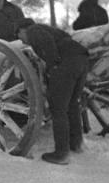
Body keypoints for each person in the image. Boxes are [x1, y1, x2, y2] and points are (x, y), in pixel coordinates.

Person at [15, 18, 89, 165]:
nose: (23, 42)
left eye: (19, 36)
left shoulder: (33, 30)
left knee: (58, 108)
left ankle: (61, 153)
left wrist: (53, 65)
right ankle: (76, 143)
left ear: (23, 30)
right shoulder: (51, 30)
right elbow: (66, 39)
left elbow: (48, 43)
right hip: (82, 60)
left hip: (66, 64)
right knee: (72, 104)